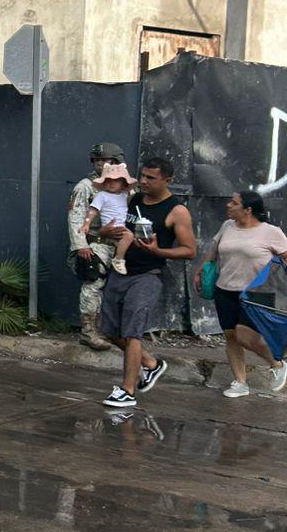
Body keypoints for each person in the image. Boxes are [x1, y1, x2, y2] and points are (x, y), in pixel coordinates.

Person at [98, 157, 196, 409]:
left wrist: (158, 251)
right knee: (109, 332)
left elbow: (189, 250)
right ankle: (152, 364)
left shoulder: (177, 210)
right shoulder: (135, 200)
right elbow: (114, 229)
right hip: (120, 271)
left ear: (168, 180)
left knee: (132, 333)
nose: (143, 181)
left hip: (147, 275)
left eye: (150, 178)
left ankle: (127, 391)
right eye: (142, 176)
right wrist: (103, 232)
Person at [193, 189, 287, 398]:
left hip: (257, 293)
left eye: (234, 203)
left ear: (248, 210)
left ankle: (277, 364)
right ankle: (240, 383)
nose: (228, 205)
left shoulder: (271, 232)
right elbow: (214, 250)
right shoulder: (227, 226)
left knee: (243, 334)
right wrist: (203, 268)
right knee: (231, 336)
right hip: (225, 289)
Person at [69, 142, 127, 350]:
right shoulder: (86, 186)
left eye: (106, 160)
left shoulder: (125, 186)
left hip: (119, 246)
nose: (101, 164)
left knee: (116, 290)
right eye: (98, 160)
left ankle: (109, 331)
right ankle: (88, 331)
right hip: (95, 244)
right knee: (93, 286)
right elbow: (75, 218)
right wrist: (81, 245)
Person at [84, 163, 139, 275]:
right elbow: (93, 210)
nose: (112, 183)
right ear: (104, 182)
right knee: (129, 236)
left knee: (131, 241)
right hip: (111, 226)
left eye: (116, 180)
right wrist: (86, 224)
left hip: (121, 226)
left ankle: (118, 259)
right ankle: (118, 260)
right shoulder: (102, 195)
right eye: (108, 180)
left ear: (123, 183)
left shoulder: (124, 195)